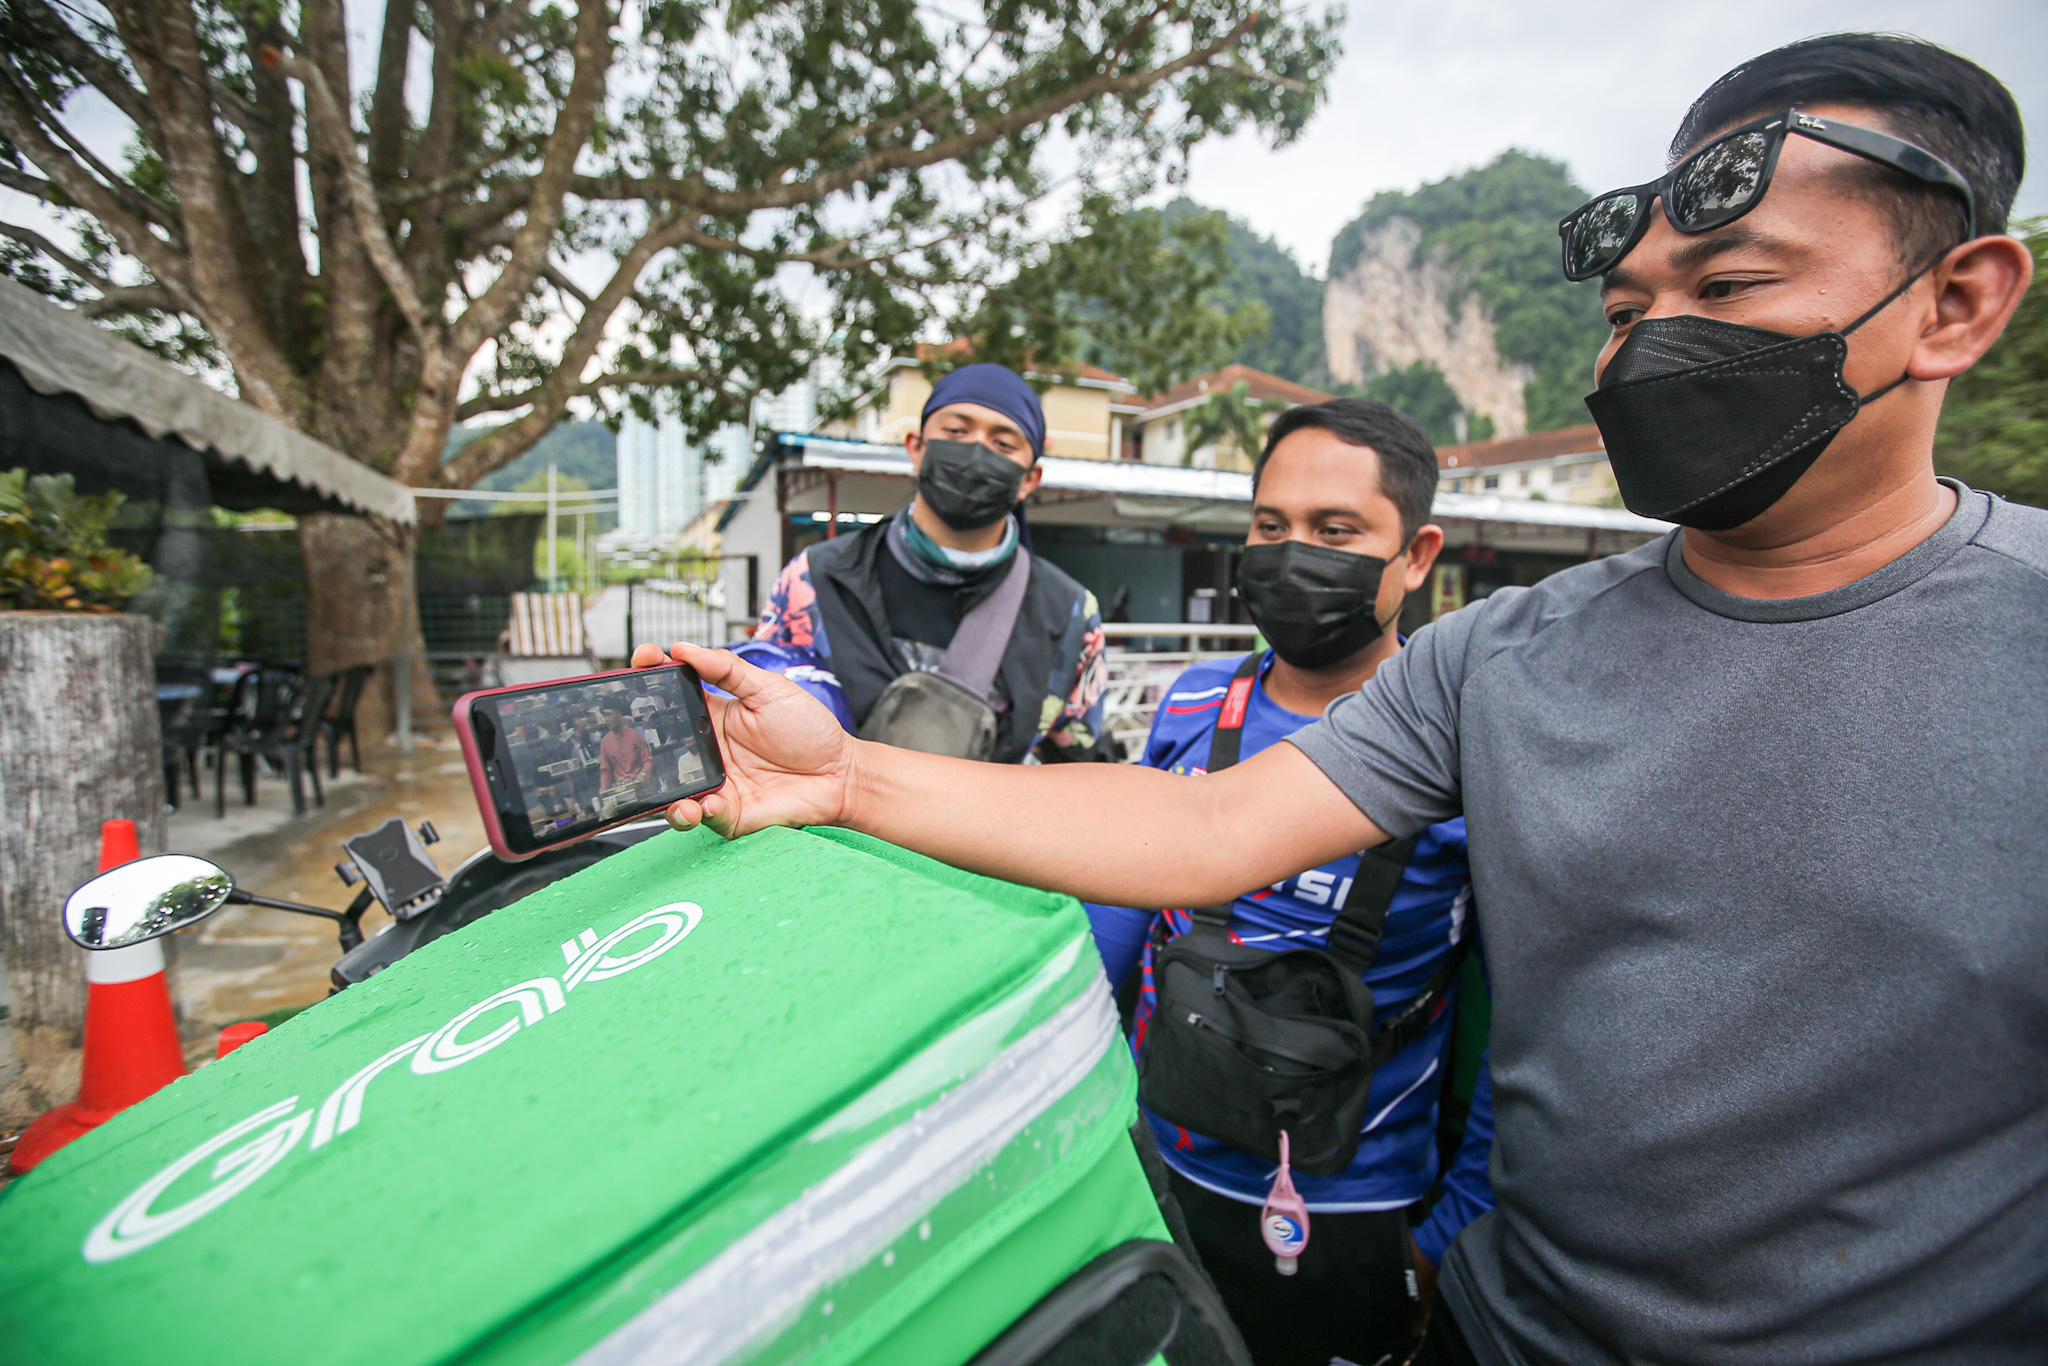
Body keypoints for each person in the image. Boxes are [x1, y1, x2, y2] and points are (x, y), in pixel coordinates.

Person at [635, 34, 2044, 1363]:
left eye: (1727, 291)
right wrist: (835, 778)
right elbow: (1202, 836)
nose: (1647, 347)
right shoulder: (1500, 658)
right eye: (1626, 311)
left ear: (1958, 301)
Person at [1085, 398, 1495, 1366]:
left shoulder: (1469, 752)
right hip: (1156, 1163)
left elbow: (1516, 1021)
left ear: (1416, 554)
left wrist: (1446, 1236)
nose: (1291, 552)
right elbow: (1123, 909)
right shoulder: (1191, 699)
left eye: (1335, 530)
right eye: (1269, 527)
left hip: (1349, 1209)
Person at [753, 362, 1111, 763]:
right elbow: (760, 719)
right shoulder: (815, 581)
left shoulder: (1070, 615)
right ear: (916, 448)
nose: (976, 451)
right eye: (956, 431)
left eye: (1003, 444)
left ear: (1030, 478)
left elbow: (1077, 767)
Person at [597, 703, 653, 793]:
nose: (607, 719)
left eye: (609, 714)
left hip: (641, 787)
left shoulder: (634, 735)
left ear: (619, 715)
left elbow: (647, 760)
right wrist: (604, 787)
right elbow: (605, 770)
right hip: (622, 790)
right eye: (605, 715)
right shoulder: (605, 741)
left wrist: (643, 774)